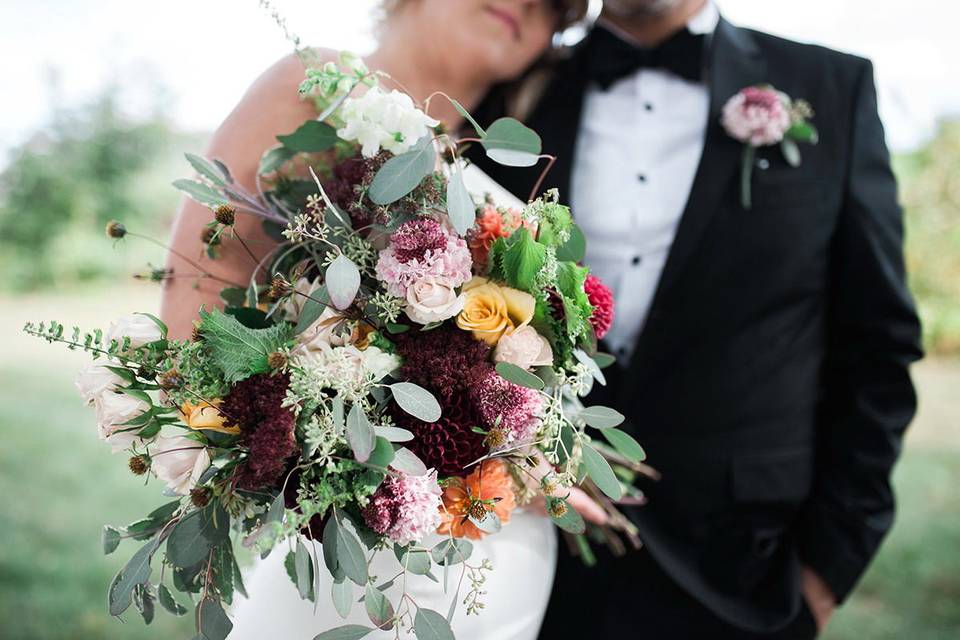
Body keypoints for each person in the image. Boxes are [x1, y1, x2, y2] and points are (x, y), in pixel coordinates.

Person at [469, 0, 924, 637]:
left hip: (743, 568)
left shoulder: (830, 86)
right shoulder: (509, 87)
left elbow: (879, 344)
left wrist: (827, 569)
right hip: (528, 557)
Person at [159, 2, 589, 639]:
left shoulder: (508, 163)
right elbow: (196, 282)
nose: (528, 3)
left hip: (503, 562)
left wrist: (544, 453)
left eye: (556, 3)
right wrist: (307, 439)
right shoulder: (320, 87)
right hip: (369, 543)